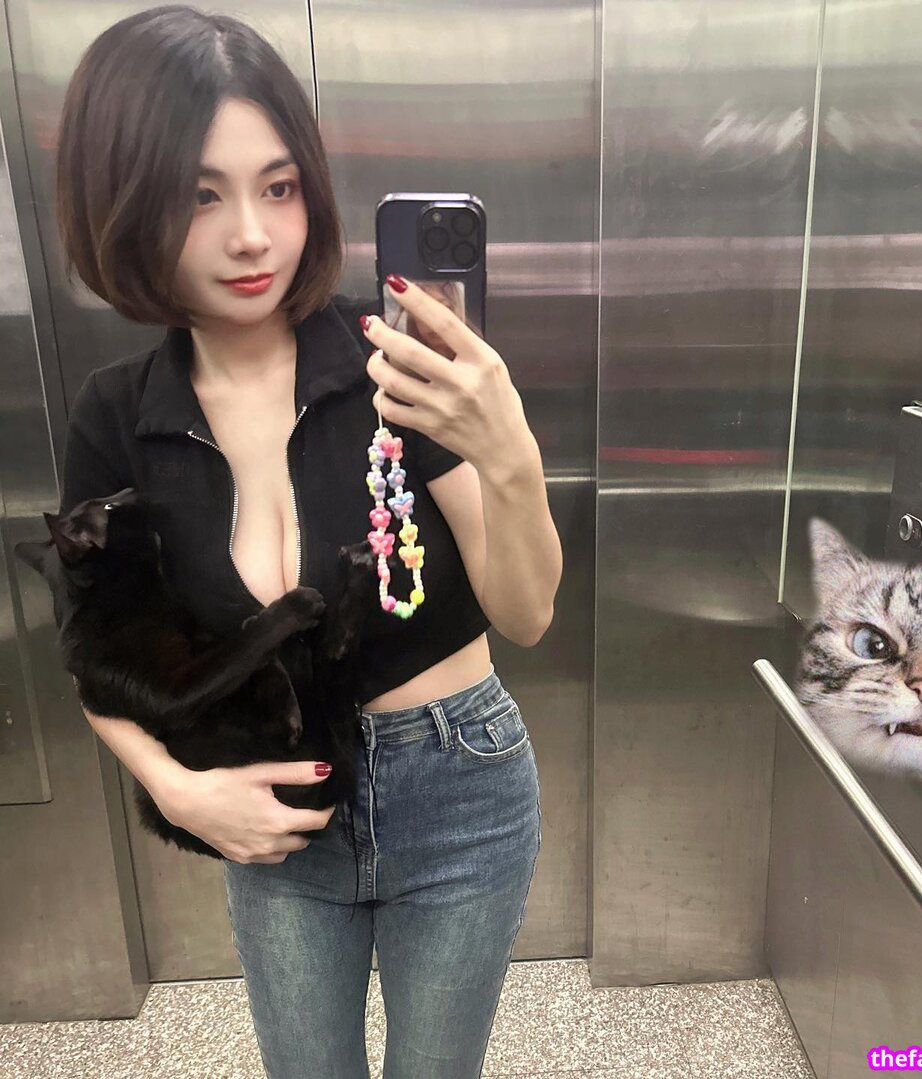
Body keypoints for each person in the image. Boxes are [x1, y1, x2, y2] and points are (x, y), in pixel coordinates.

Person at [52, 6, 562, 1078]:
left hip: (459, 787)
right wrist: (176, 789)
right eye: (200, 196)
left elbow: (526, 614)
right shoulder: (115, 416)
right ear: (122, 203)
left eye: (278, 187)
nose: (251, 235)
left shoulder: (394, 361)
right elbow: (96, 653)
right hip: (275, 811)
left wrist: (510, 452)